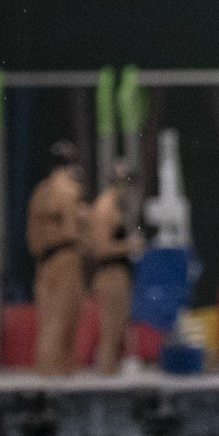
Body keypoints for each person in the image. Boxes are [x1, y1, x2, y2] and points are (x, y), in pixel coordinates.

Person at [27, 143, 85, 376]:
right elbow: (71, 230)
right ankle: (56, 378)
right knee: (64, 320)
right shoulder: (69, 189)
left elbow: (31, 232)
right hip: (65, 259)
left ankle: (45, 374)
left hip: (43, 262)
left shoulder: (40, 190)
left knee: (48, 321)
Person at [83, 160, 142, 375]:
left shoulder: (115, 206)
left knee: (117, 332)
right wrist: (129, 245)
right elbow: (99, 248)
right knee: (110, 332)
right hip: (109, 276)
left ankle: (110, 375)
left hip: (118, 274)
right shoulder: (105, 207)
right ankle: (104, 377)